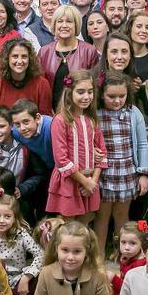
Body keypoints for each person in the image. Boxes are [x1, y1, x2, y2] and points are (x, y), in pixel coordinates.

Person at [94, 72, 148, 253]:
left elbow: (142, 144)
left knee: (121, 215)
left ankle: (123, 256)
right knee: (102, 217)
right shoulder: (95, 114)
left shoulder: (133, 112)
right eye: (111, 96)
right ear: (101, 94)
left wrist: (143, 173)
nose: (117, 101)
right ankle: (99, 257)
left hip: (127, 172)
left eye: (122, 96)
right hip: (103, 174)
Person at [46, 70, 107, 223]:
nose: (86, 97)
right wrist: (84, 182)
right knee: (68, 226)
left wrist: (92, 181)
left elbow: (103, 153)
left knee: (86, 221)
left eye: (90, 92)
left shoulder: (92, 120)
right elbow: (61, 160)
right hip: (70, 182)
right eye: (80, 92)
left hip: (90, 180)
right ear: (69, 93)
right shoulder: (60, 121)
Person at [0, 194, 44, 295]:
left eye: (7, 216)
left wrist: (27, 277)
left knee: (43, 275)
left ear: (14, 218)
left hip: (18, 281)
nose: (1, 220)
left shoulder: (21, 234)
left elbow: (41, 254)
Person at [37, 5, 98, 104]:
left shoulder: (89, 51)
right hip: (50, 113)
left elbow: (94, 87)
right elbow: (39, 87)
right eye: (60, 21)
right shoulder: (44, 52)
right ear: (54, 25)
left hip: (80, 111)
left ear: (76, 25)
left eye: (69, 21)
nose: (64, 25)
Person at [0, 37, 52, 115]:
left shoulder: (42, 84)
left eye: (24, 56)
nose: (20, 61)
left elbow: (45, 119)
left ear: (30, 59)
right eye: (15, 56)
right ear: (7, 58)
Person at [108, 221, 147, 295]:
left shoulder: (139, 265)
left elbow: (128, 289)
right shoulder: (130, 257)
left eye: (132, 243)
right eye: (123, 242)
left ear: (142, 244)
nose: (126, 247)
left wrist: (114, 278)